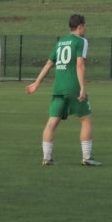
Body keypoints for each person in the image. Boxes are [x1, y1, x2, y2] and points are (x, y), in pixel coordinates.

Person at [25, 14, 99, 166]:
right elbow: (80, 65)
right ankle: (87, 158)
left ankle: (46, 158)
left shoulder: (60, 42)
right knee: (85, 120)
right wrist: (83, 88)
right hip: (73, 86)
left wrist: (37, 83)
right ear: (80, 26)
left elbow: (48, 63)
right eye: (85, 25)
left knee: (52, 123)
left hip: (58, 87)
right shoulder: (81, 41)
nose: (86, 28)